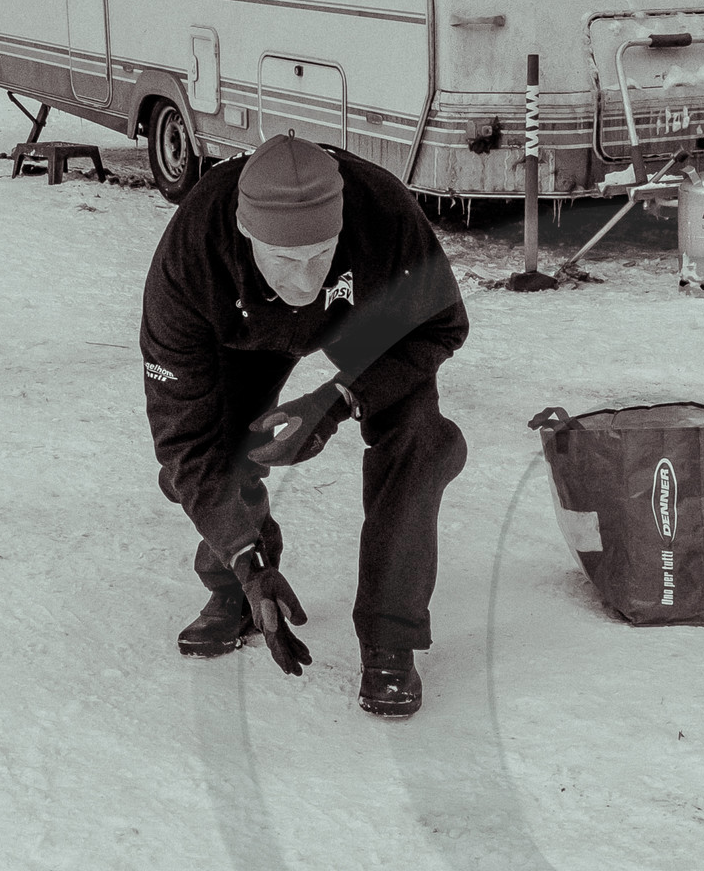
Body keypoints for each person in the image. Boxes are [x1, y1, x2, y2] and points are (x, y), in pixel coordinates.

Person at [141, 133, 469, 718]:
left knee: (419, 440)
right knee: (222, 451)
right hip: (242, 331)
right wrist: (247, 561)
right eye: (286, 260)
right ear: (245, 235)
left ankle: (390, 636)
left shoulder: (384, 213)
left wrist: (339, 398)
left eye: (321, 254)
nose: (304, 278)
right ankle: (236, 590)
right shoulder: (191, 260)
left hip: (362, 319)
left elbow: (441, 326)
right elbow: (185, 442)